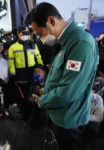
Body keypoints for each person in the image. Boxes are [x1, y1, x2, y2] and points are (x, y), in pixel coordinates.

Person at [26, 2, 99, 150]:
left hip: (69, 120)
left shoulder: (80, 43)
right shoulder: (64, 43)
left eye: (40, 33)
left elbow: (68, 91)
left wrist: (43, 100)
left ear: (51, 21)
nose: (40, 39)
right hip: (59, 114)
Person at [8, 25, 43, 120]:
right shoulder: (13, 47)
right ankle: (24, 113)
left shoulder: (33, 44)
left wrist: (40, 67)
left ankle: (30, 113)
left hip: (32, 75)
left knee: (32, 95)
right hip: (20, 76)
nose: (25, 36)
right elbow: (11, 63)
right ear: (18, 34)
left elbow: (38, 57)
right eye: (23, 34)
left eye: (27, 34)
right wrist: (13, 75)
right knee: (22, 96)